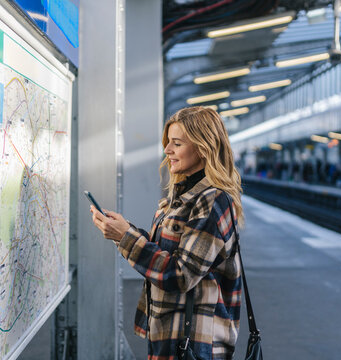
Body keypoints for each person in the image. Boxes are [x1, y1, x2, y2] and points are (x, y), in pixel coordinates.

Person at [90, 106, 244, 359]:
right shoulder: (184, 195)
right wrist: (126, 230)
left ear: (203, 147)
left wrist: (124, 237)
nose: (167, 150)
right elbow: (167, 251)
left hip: (196, 340)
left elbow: (181, 275)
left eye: (177, 143)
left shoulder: (213, 200)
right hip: (170, 331)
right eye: (168, 142)